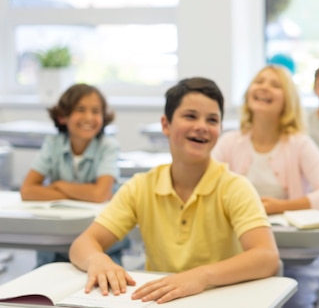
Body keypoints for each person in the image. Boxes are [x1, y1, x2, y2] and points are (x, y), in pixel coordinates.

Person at [69, 77, 280, 304]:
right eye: (190, 116)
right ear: (166, 125)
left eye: (212, 120)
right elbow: (83, 243)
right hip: (162, 302)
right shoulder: (141, 187)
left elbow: (267, 257)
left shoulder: (234, 187)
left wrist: (202, 276)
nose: (201, 126)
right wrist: (96, 260)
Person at [212, 64, 319, 308]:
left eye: (274, 84)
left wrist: (281, 206)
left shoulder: (299, 144)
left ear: (287, 101)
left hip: (295, 260)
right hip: (238, 257)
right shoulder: (229, 142)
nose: (264, 88)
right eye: (259, 81)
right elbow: (205, 186)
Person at [20, 83, 121, 266]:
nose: (88, 117)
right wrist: (84, 193)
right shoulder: (53, 144)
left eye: (96, 111)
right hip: (54, 245)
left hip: (100, 247)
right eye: (80, 109)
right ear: (62, 116)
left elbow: (100, 194)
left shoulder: (108, 146)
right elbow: (27, 190)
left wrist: (59, 185)